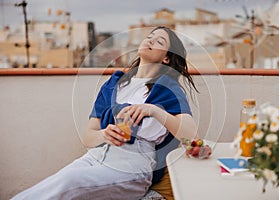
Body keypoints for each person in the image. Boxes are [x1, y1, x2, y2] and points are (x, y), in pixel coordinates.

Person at [12, 26, 199, 200]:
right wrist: (104, 134)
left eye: (159, 42)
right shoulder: (114, 84)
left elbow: (190, 135)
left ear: (166, 58)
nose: (149, 41)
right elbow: (88, 137)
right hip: (95, 157)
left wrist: (154, 111)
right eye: (149, 37)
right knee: (55, 182)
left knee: (69, 182)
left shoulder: (167, 88)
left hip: (133, 164)